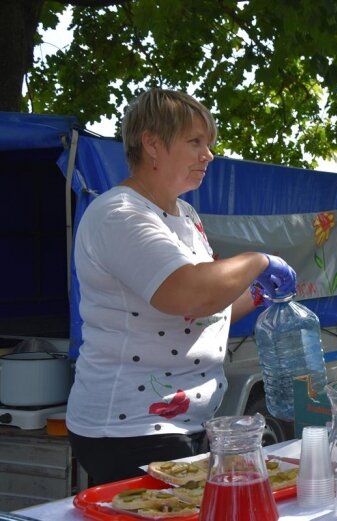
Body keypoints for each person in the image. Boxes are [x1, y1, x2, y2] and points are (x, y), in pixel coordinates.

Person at [65, 88, 297, 485]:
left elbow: (204, 308)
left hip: (184, 423)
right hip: (130, 430)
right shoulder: (119, 215)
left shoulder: (184, 214)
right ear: (152, 144)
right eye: (195, 142)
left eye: (209, 144)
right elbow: (186, 292)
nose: (208, 154)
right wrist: (257, 261)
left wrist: (258, 294)